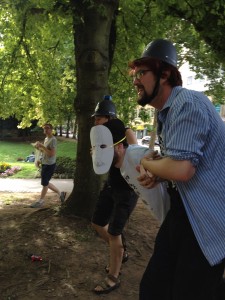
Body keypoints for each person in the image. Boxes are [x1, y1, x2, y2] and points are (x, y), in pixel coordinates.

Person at [128, 38, 225, 300]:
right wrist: (159, 175)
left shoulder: (187, 104)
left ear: (165, 74)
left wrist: (147, 162)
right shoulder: (167, 113)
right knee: (153, 289)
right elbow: (183, 165)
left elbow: (183, 170)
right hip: (184, 213)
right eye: (136, 74)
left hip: (207, 223)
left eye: (142, 73)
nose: (136, 80)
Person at [90, 96, 139, 294]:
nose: (95, 122)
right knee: (97, 223)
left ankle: (113, 277)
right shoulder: (101, 137)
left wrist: (121, 154)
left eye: (99, 118)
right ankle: (120, 250)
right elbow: (97, 159)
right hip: (110, 186)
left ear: (109, 118)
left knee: (114, 233)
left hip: (127, 191)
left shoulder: (126, 132)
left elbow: (136, 157)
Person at [30, 123, 66, 208]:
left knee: (45, 183)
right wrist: (39, 152)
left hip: (50, 165)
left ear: (51, 129)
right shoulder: (46, 138)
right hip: (45, 164)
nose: (45, 130)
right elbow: (46, 152)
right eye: (44, 128)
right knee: (45, 183)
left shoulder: (53, 140)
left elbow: (51, 154)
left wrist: (42, 146)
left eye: (47, 128)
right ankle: (61, 193)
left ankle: (41, 201)